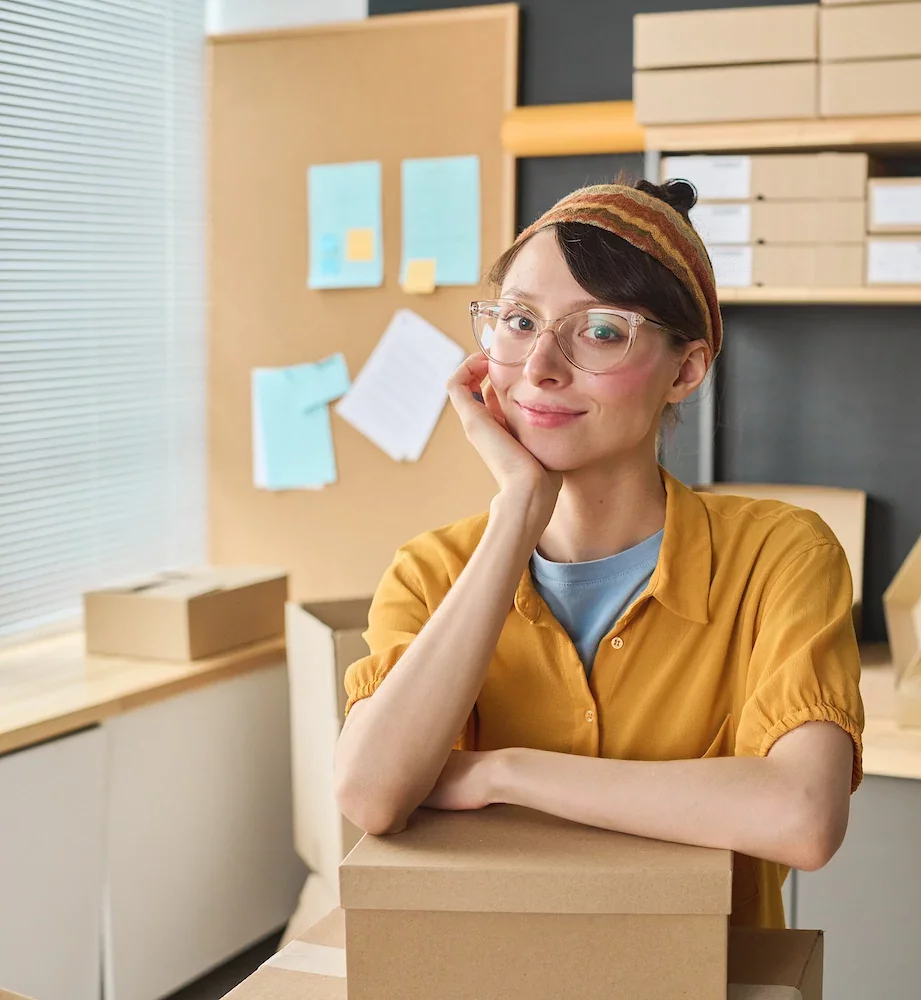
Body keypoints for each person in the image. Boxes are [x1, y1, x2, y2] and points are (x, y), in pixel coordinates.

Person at [333, 178, 864, 928]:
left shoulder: (779, 555)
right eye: (518, 321)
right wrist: (518, 509)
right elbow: (368, 796)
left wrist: (504, 773)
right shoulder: (430, 571)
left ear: (687, 370)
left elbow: (803, 817)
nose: (542, 366)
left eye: (601, 332)